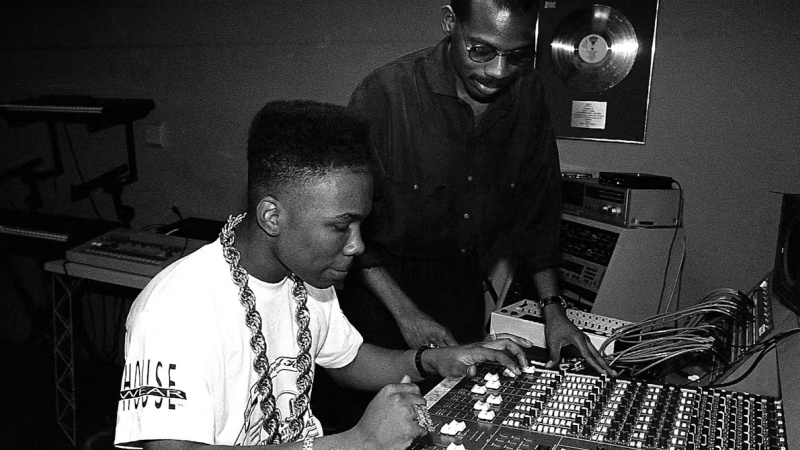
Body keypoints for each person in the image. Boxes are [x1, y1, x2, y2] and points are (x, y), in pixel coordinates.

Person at [113, 100, 531, 450]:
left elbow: (348, 359)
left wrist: (437, 360)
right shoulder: (173, 310)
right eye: (340, 226)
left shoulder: (309, 275)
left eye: (361, 224)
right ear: (272, 216)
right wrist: (358, 442)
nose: (358, 245)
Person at [339, 0, 615, 374]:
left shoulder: (528, 94)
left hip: (462, 289)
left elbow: (538, 211)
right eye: (481, 50)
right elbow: (349, 229)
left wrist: (553, 309)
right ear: (450, 22)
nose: (498, 71)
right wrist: (407, 315)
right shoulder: (386, 93)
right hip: (382, 295)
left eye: (515, 55)